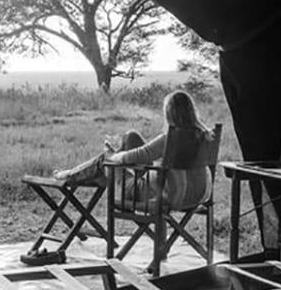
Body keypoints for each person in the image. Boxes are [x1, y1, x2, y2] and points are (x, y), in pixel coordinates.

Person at [55, 90, 214, 210]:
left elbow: (136, 156)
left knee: (105, 160)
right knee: (131, 136)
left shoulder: (171, 139)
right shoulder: (205, 136)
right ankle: (94, 175)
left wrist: (113, 155)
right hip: (199, 195)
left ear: (169, 113)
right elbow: (144, 155)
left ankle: (71, 175)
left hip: (164, 196)